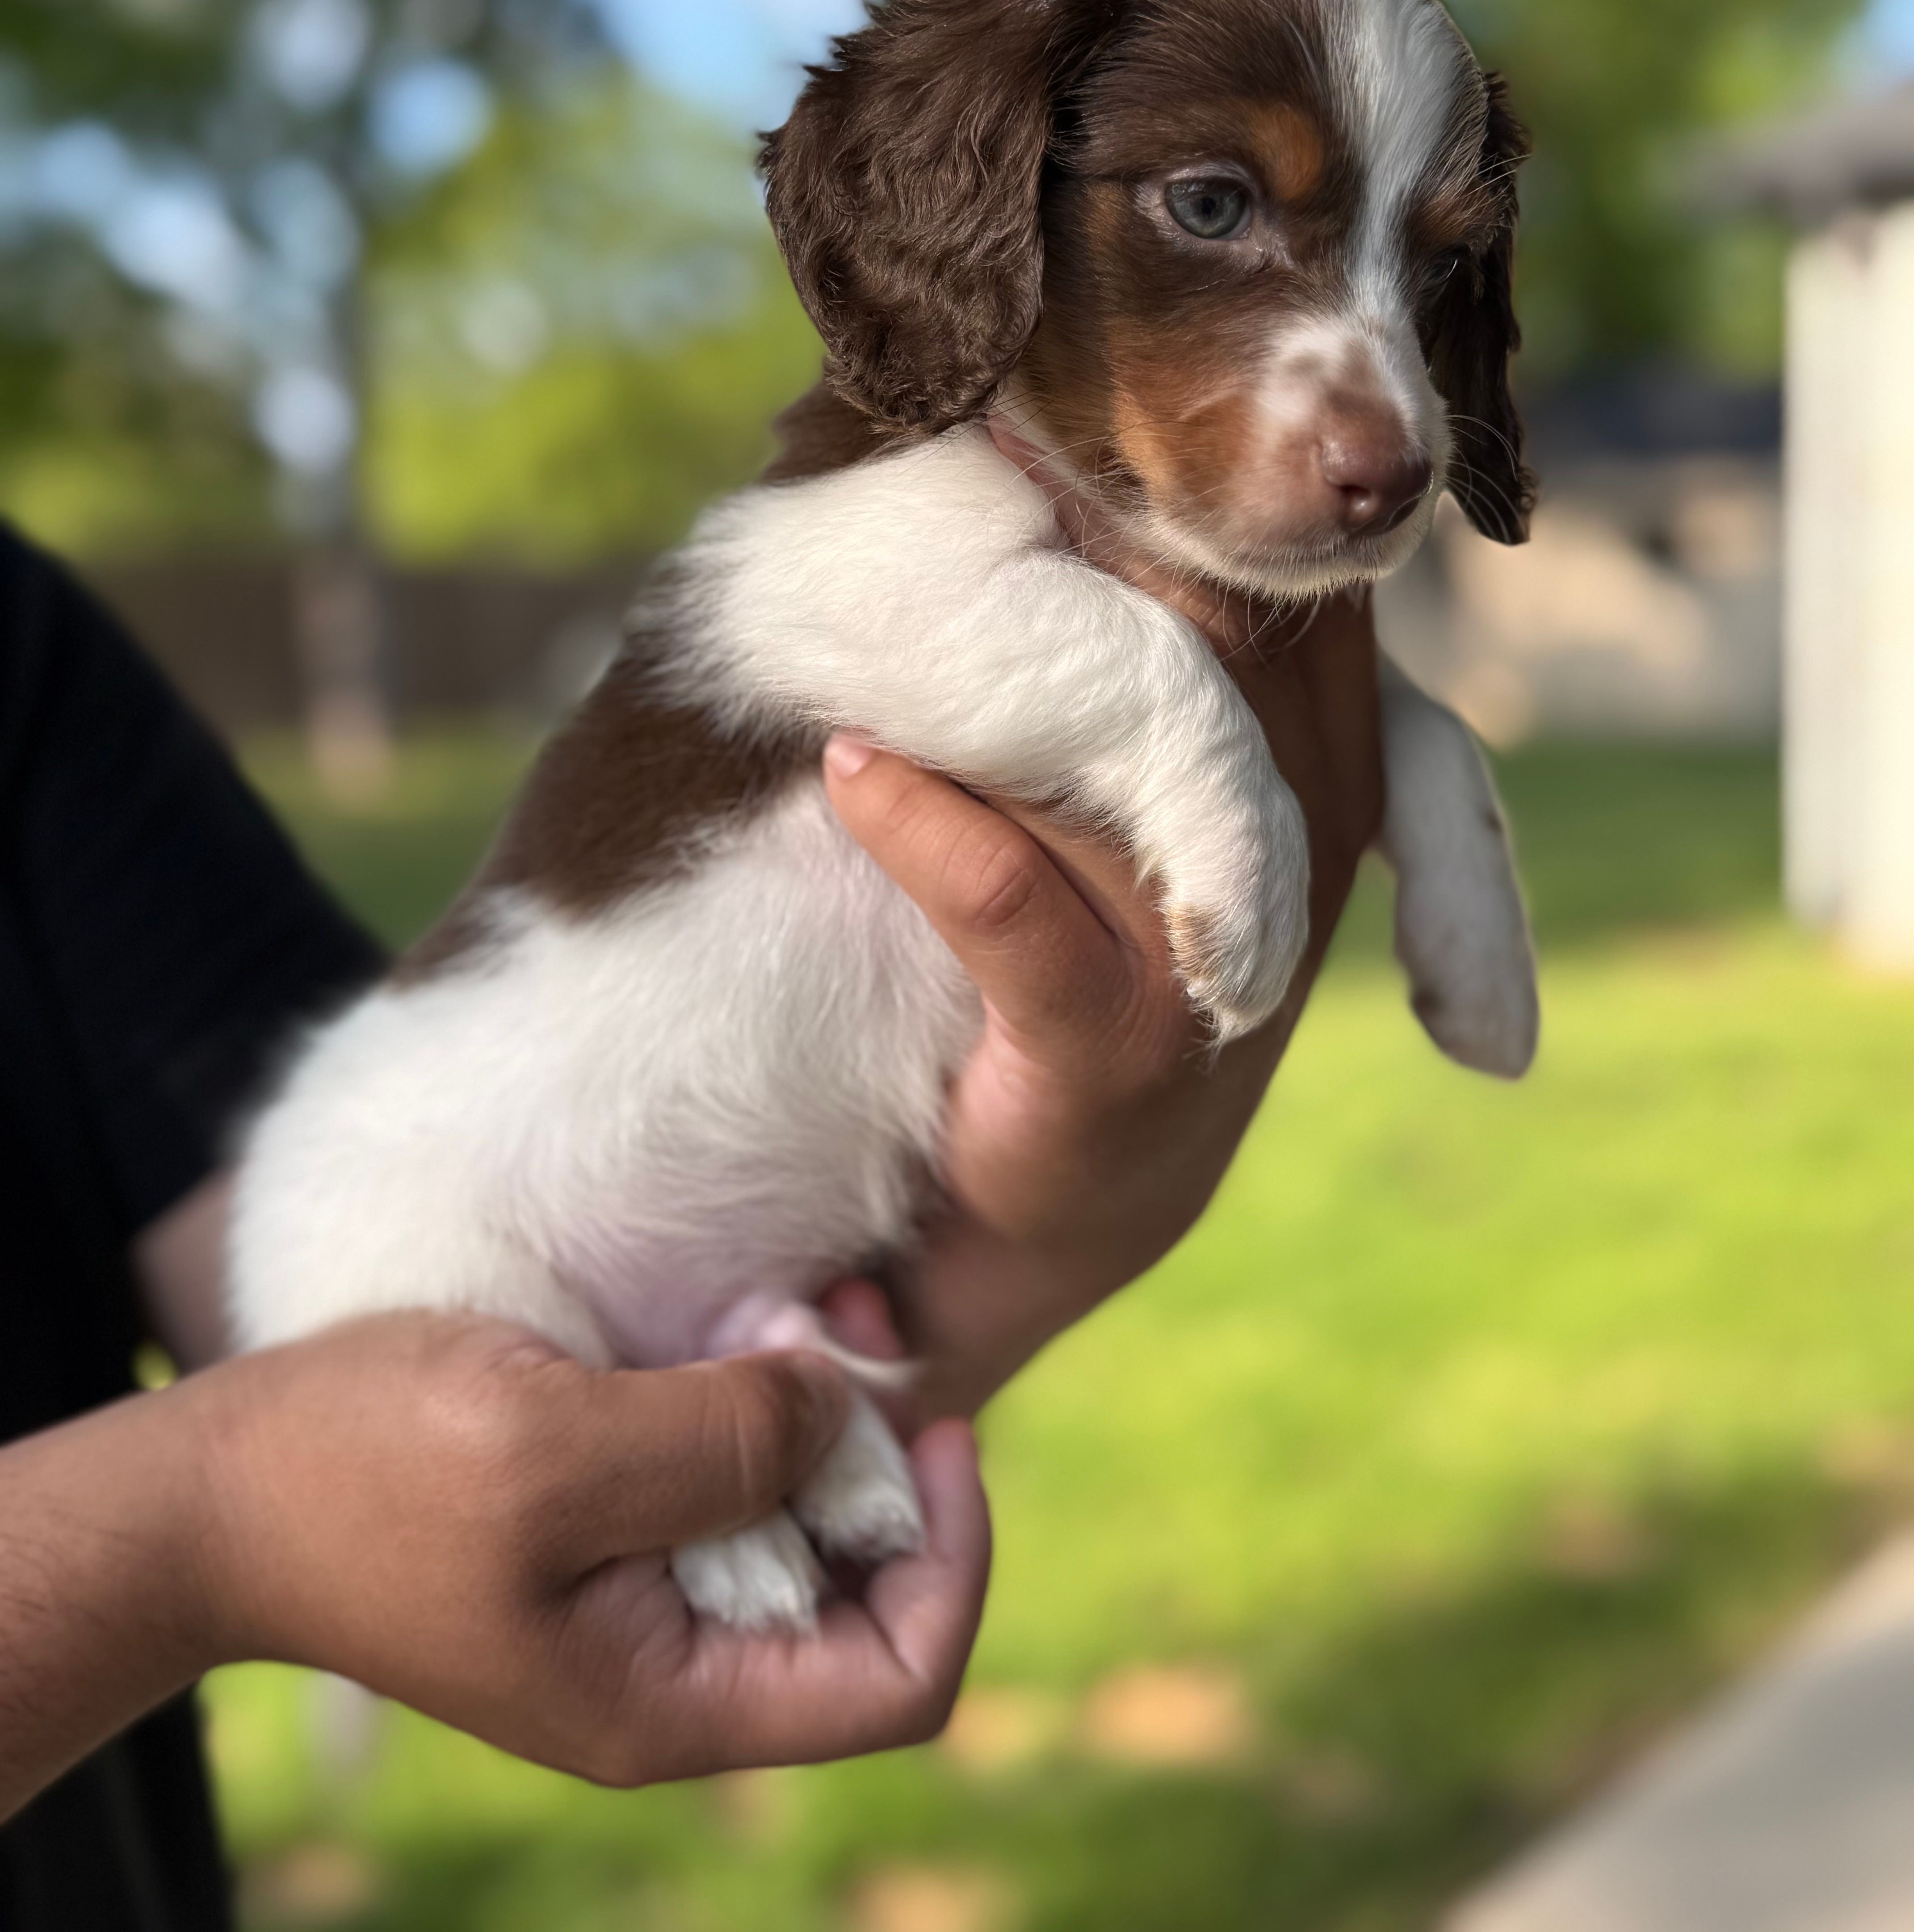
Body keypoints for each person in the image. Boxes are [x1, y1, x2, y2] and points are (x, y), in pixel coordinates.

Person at [0, 518, 1382, 1929]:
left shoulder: (19, 639)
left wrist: (1015, 1240)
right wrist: (206, 1531)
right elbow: (283, 1433)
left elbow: (321, 1212)